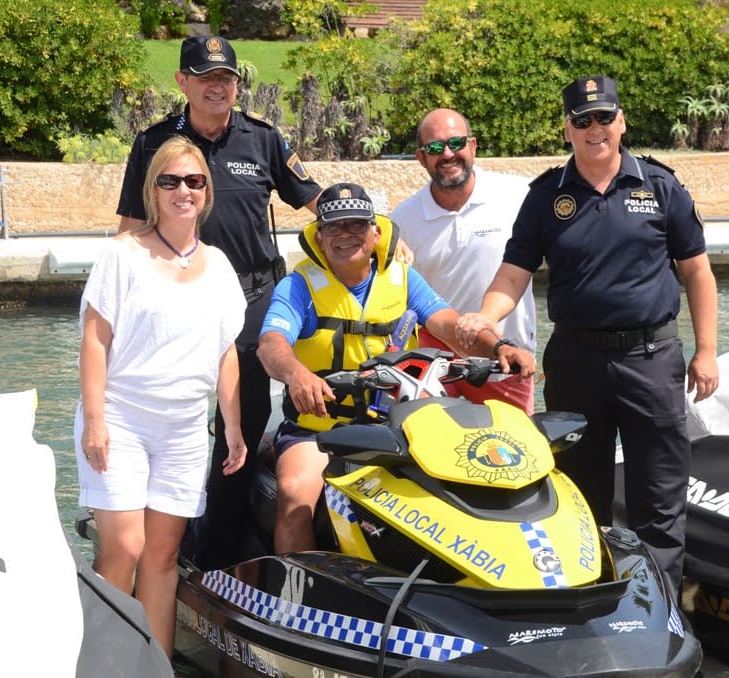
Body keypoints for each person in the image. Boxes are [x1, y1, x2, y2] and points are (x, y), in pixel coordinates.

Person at [456, 75, 720, 601]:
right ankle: (594, 606)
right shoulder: (546, 196)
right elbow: (514, 273)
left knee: (659, 501)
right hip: (577, 364)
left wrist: (708, 351)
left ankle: (661, 610)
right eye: (583, 120)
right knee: (578, 496)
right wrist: (487, 317)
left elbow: (697, 272)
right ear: (568, 130)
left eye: (604, 117)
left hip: (652, 358)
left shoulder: (661, 187)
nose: (594, 129)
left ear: (621, 122)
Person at [115, 35, 322, 571]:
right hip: (179, 297)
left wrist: (377, 229)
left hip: (252, 297)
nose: (218, 88)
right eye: (206, 79)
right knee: (176, 415)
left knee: (245, 424)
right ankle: (162, 536)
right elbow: (132, 228)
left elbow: (314, 198)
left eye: (226, 79)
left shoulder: (263, 139)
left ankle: (219, 553)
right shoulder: (154, 144)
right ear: (183, 82)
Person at [257, 183, 537, 554]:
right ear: (319, 237)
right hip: (319, 430)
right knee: (295, 494)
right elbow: (271, 343)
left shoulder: (404, 279)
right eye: (335, 228)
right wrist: (297, 375)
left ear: (375, 233)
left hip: (397, 428)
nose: (346, 236)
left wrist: (501, 348)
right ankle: (296, 599)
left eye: (357, 225)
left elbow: (451, 326)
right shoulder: (298, 287)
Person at [77, 136, 248, 658]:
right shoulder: (122, 254)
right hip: (122, 419)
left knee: (164, 554)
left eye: (193, 181)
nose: (182, 190)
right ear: (152, 190)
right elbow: (94, 339)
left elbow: (225, 352)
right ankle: (100, 664)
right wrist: (94, 420)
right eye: (169, 180)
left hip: (184, 430)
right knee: (124, 547)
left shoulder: (218, 265)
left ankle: (155, 666)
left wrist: (234, 428)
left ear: (207, 191)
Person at [390, 108, 538, 413]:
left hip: (505, 361)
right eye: (434, 148)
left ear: (473, 146)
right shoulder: (402, 220)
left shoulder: (518, 196)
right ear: (420, 157)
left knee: (515, 455)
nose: (447, 154)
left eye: (456, 143)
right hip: (435, 370)